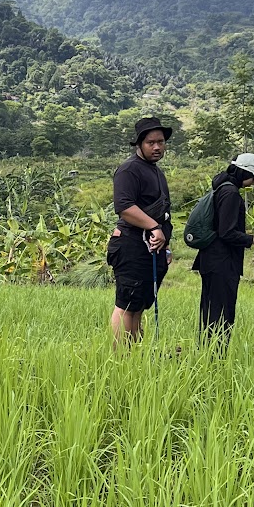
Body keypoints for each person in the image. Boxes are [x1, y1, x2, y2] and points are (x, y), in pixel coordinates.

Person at [192, 153, 254, 344]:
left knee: (211, 312)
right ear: (244, 173)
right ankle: (217, 355)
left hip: (211, 259)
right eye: (253, 178)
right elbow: (227, 233)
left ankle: (207, 352)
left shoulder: (221, 187)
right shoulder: (230, 193)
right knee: (222, 314)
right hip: (222, 262)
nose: (253, 182)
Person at [108, 117, 174, 347]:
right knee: (126, 304)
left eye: (160, 142)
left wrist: (165, 245)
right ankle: (121, 357)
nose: (157, 147)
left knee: (139, 304)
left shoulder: (156, 172)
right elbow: (124, 206)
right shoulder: (129, 170)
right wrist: (154, 227)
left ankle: (135, 352)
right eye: (150, 142)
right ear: (139, 144)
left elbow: (163, 212)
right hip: (131, 245)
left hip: (151, 247)